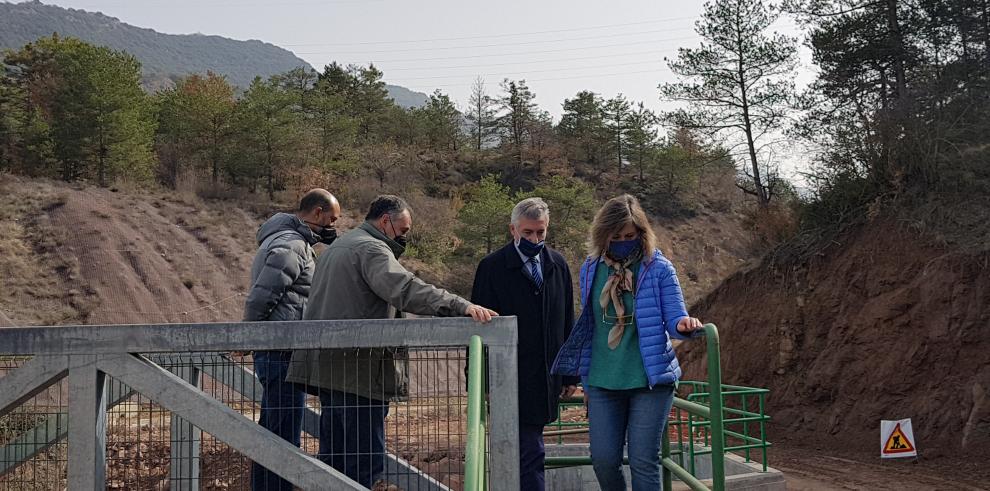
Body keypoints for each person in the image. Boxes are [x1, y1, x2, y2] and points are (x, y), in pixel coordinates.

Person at [286, 195, 498, 489]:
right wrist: (459, 305)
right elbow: (405, 288)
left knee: (333, 462)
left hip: (331, 371)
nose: (404, 236)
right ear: (385, 221)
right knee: (363, 465)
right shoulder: (371, 249)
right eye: (404, 229)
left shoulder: (340, 247)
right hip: (358, 373)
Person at [551, 194, 704, 491]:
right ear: (603, 236)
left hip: (649, 381)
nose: (623, 242)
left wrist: (685, 325)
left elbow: (675, 315)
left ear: (641, 234)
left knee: (643, 461)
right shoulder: (591, 268)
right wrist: (585, 379)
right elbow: (590, 325)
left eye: (630, 236)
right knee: (604, 460)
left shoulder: (659, 268)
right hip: (603, 381)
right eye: (616, 236)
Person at [470, 197, 578, 491]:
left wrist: (570, 373)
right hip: (509, 376)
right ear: (513, 230)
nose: (535, 239)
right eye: (528, 233)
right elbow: (478, 328)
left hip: (546, 377)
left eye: (540, 233)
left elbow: (566, 320)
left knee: (528, 451)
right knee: (531, 452)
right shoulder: (492, 267)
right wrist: (482, 382)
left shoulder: (557, 265)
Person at [245, 189, 341, 491]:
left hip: (278, 349)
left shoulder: (286, 239)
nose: (333, 226)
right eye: (331, 219)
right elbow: (263, 294)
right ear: (316, 213)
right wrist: (248, 335)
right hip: (282, 351)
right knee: (284, 435)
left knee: (273, 430)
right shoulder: (292, 245)